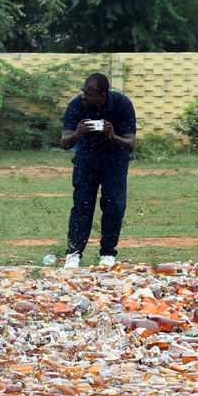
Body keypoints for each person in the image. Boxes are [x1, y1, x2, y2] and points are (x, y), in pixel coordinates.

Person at [60, 73, 137, 269]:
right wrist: (78, 133)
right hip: (87, 158)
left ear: (102, 95)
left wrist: (112, 136)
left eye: (88, 93)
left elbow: (130, 144)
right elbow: (65, 143)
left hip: (115, 160)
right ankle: (74, 253)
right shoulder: (77, 105)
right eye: (83, 92)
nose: (83, 96)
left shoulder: (122, 104)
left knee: (114, 205)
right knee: (82, 204)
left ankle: (108, 253)